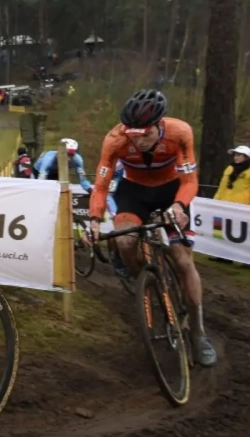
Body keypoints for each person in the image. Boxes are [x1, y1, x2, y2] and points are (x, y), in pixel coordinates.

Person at [85, 89, 217, 367]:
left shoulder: (179, 133)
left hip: (172, 191)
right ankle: (144, 280)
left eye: (146, 134)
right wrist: (94, 220)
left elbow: (190, 181)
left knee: (182, 258)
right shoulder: (115, 140)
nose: (140, 141)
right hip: (134, 192)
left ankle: (198, 334)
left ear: (159, 125)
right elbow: (100, 186)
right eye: (134, 135)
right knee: (124, 242)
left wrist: (180, 206)